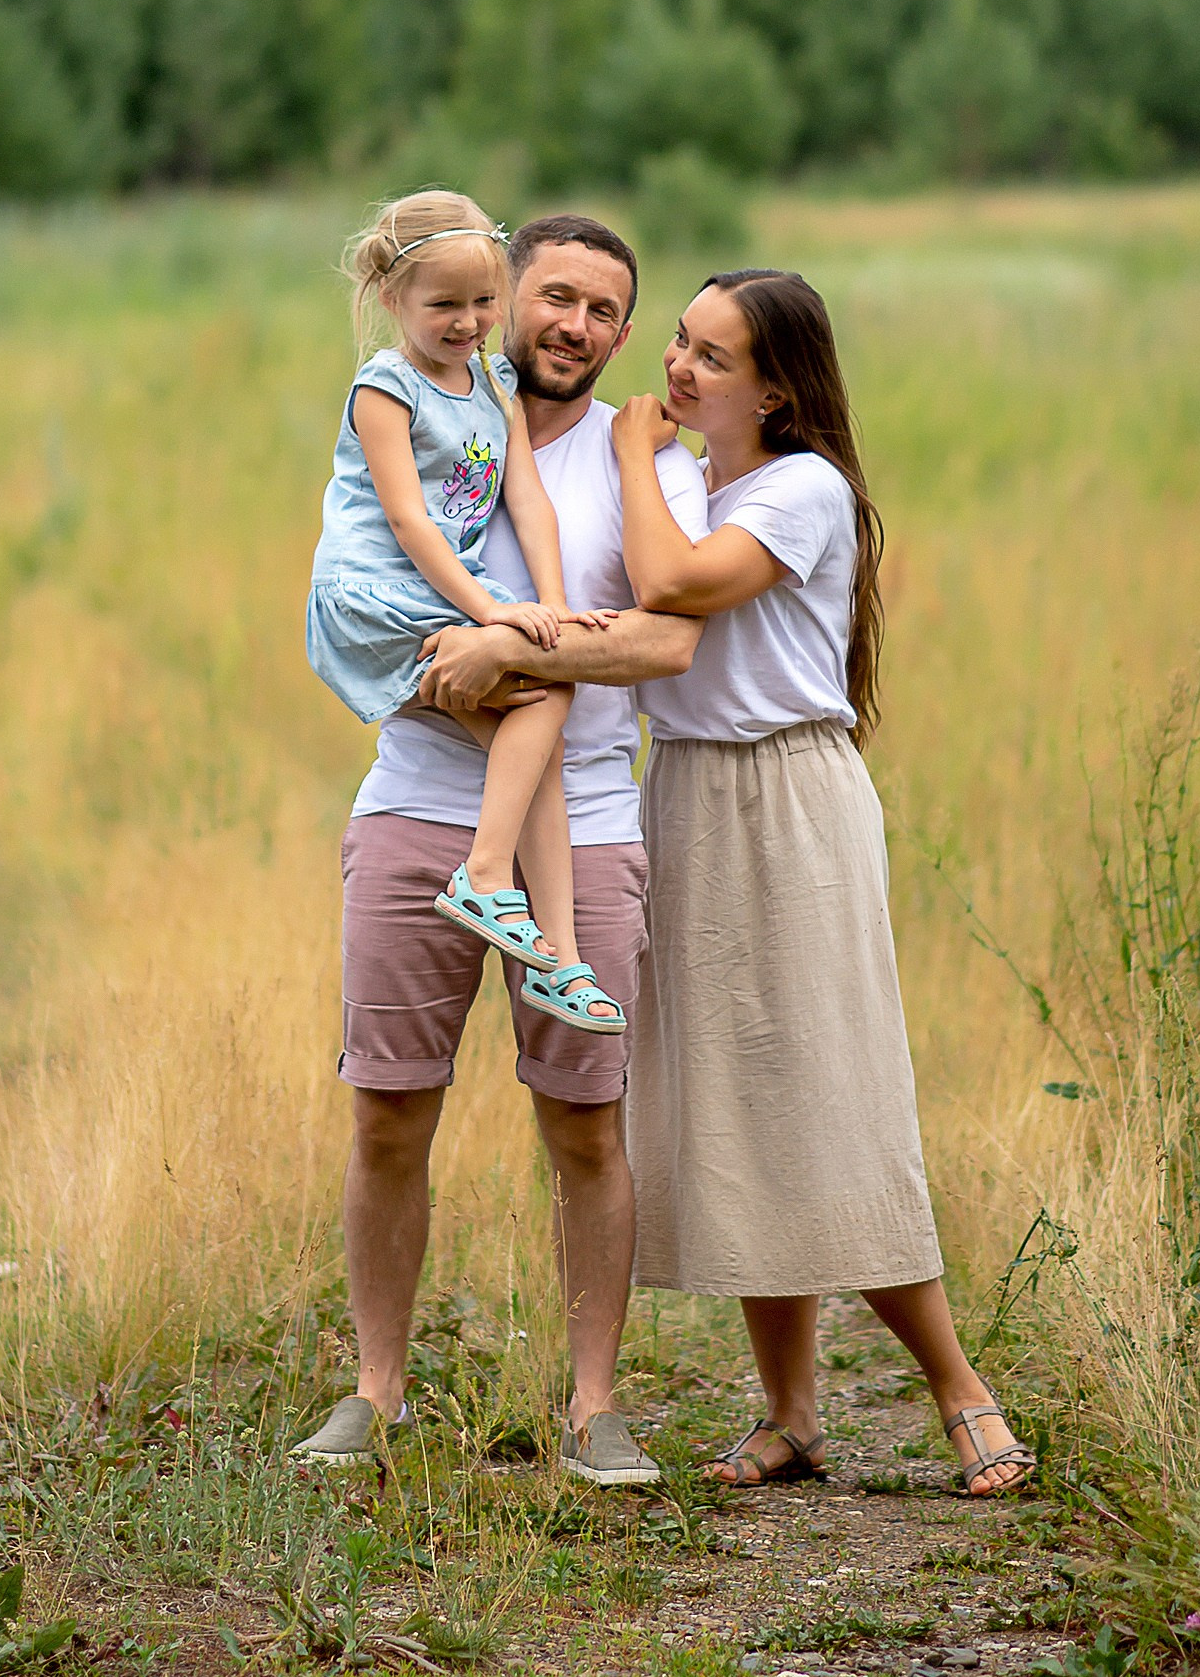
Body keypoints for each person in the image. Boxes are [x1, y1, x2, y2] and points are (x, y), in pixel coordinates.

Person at [294, 214, 713, 1486]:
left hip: (583, 824)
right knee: (387, 1114)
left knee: (588, 1125)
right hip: (411, 805)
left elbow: (661, 641)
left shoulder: (649, 467)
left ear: (623, 335)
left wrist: (506, 649)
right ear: (502, 295)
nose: (571, 326)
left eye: (602, 311)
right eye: (555, 297)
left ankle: (594, 1409)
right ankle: (375, 1393)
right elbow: (357, 583)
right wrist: (479, 647)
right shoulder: (421, 411)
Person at [612, 268, 1035, 1499]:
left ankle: (960, 1387)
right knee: (739, 1098)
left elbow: (673, 586)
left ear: (779, 389)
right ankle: (790, 1414)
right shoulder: (698, 477)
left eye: (714, 358)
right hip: (687, 787)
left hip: (788, 798)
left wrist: (637, 451)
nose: (681, 370)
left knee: (829, 1092)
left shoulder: (802, 491)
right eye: (680, 344)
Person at [306, 188, 625, 1037]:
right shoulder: (385, 386)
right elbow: (408, 519)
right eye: (442, 303)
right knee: (541, 693)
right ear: (391, 298)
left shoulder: (494, 383)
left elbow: (526, 497)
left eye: (483, 302)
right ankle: (486, 876)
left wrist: (552, 608)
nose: (466, 321)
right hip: (376, 596)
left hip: (439, 594)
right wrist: (495, 613)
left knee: (539, 728)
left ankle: (557, 957)